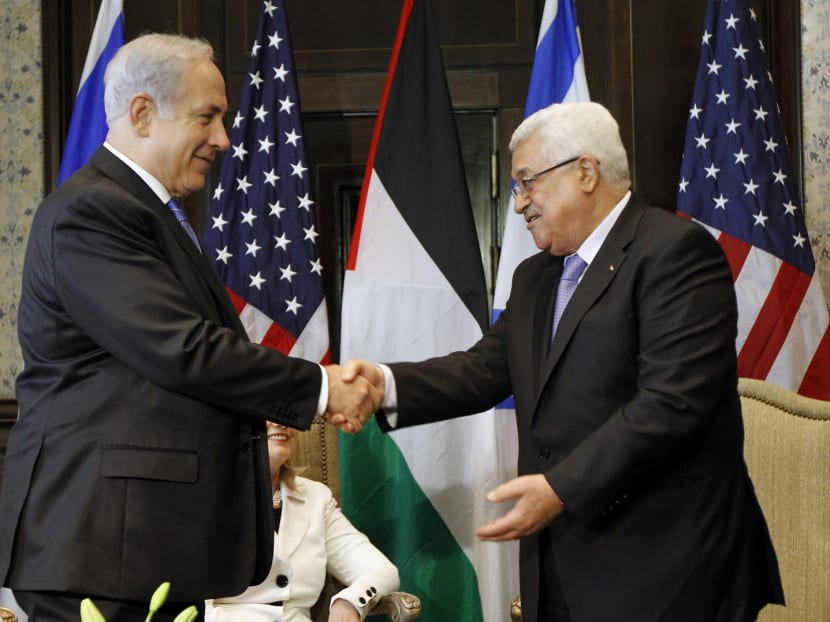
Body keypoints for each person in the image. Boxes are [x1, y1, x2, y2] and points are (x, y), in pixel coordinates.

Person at [344, 102, 785, 621]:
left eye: (527, 182)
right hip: (560, 565)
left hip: (668, 566)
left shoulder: (674, 252)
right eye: (516, 188)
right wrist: (384, 384)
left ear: (585, 171)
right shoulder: (536, 277)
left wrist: (560, 488)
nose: (518, 204)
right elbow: (485, 368)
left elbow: (673, 403)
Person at [0, 33, 380, 622]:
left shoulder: (150, 212)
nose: (224, 139)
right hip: (102, 546)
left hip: (143, 546)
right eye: (208, 116)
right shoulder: (93, 212)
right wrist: (324, 388)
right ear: (143, 113)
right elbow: (181, 349)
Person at [205, 421, 399, 622]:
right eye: (267, 413)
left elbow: (383, 570)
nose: (281, 423)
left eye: (287, 413)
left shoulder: (316, 498)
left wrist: (350, 601)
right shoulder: (204, 497)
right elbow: (191, 606)